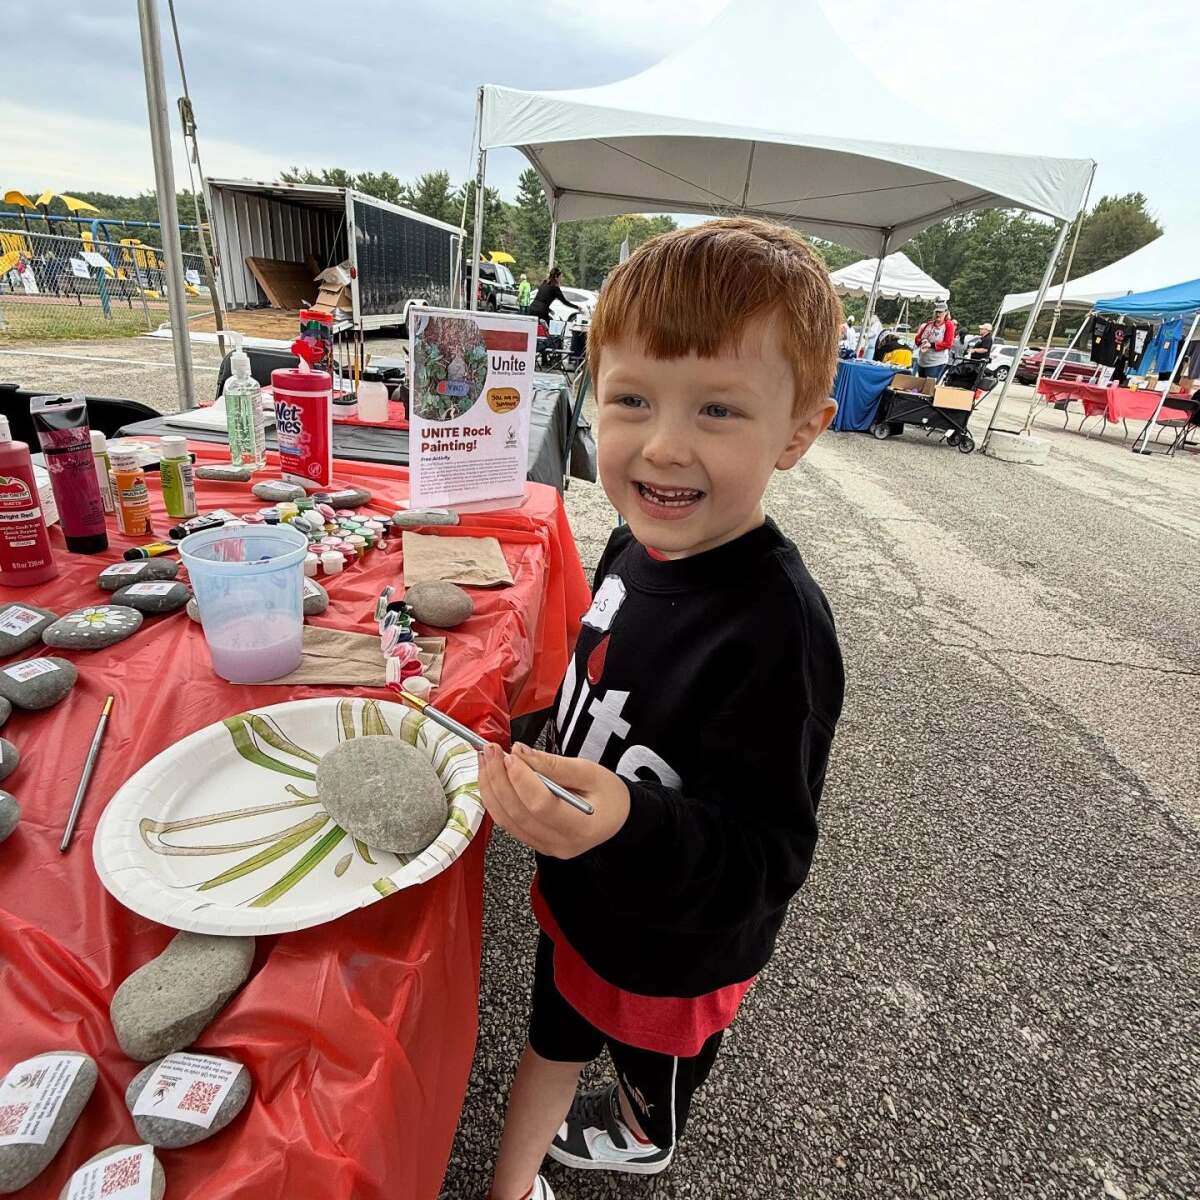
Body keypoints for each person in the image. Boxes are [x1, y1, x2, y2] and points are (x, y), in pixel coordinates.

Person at [480, 218, 846, 1200]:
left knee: (649, 1077)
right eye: (632, 399)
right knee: (549, 1042)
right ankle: (510, 1188)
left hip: (675, 954)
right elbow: (593, 684)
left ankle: (647, 1128)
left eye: (719, 410)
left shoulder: (780, 633)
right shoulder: (630, 544)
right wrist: (525, 742)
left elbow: (769, 857)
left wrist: (627, 820)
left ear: (800, 431)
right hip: (580, 907)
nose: (665, 444)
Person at [914, 303, 956, 380]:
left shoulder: (949, 325)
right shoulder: (929, 324)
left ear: (946, 312)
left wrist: (931, 345)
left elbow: (948, 343)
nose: (938, 314)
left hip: (936, 362)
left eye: (940, 312)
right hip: (922, 360)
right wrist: (923, 341)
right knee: (920, 385)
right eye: (937, 312)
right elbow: (917, 338)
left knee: (929, 387)